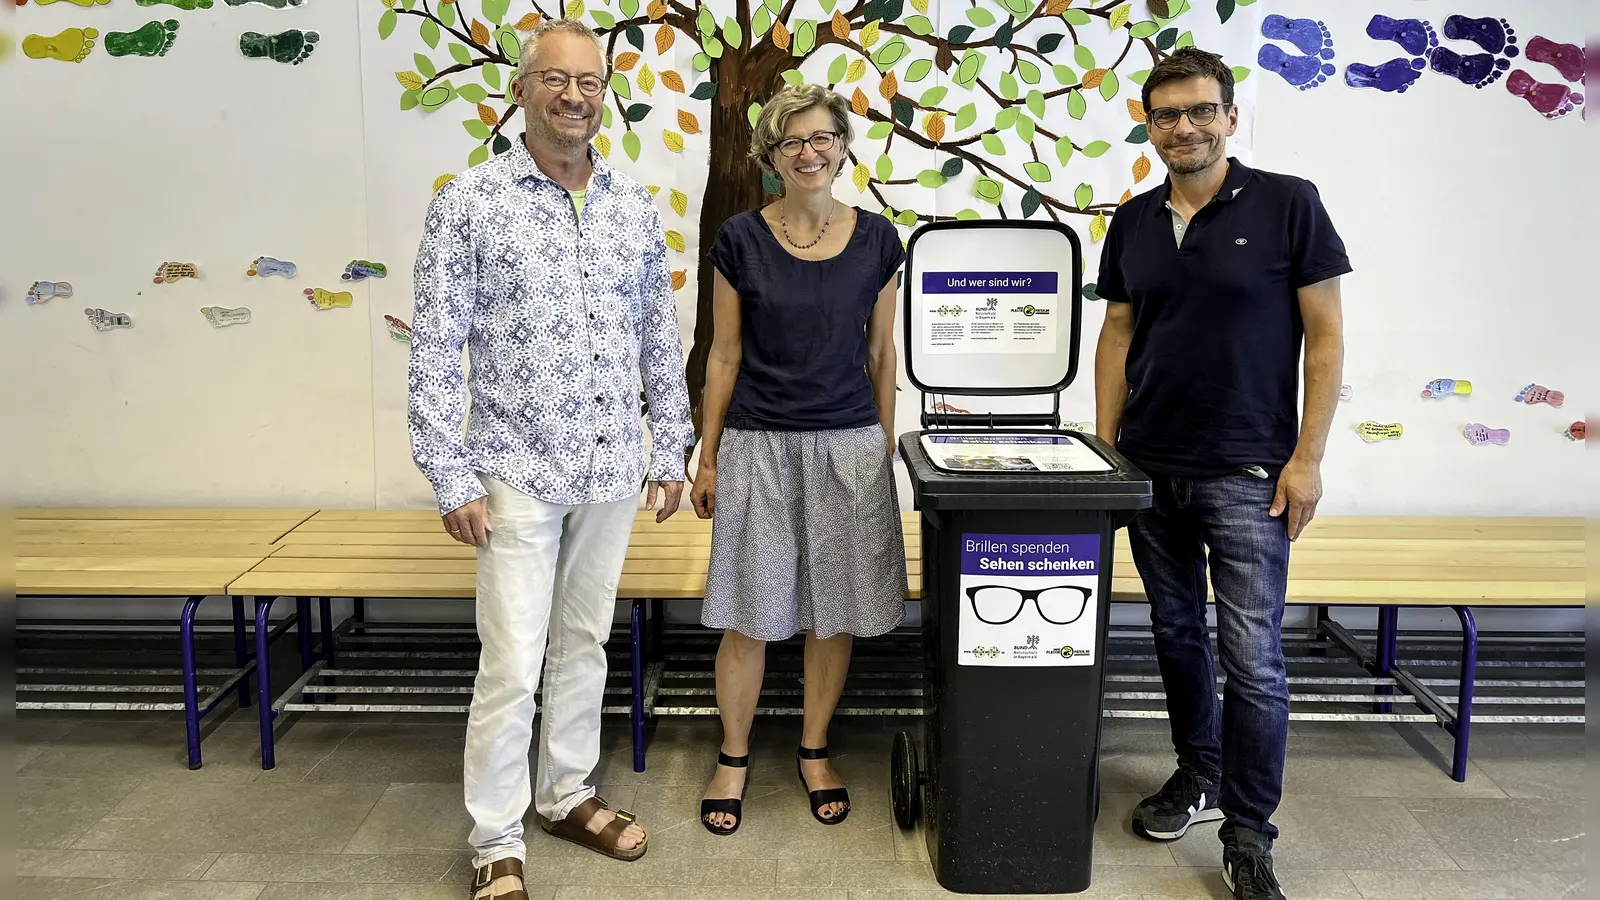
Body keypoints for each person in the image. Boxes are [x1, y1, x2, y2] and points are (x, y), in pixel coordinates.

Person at [407, 19, 694, 900]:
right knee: (512, 657)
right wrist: (450, 474)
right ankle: (496, 836)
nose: (576, 96)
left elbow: (658, 335)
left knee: (585, 643)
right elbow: (434, 350)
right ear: (522, 90)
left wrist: (672, 445)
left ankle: (565, 793)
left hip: (611, 468)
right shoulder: (470, 203)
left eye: (591, 82)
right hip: (516, 472)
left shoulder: (631, 206)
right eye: (557, 80)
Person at [1093, 47, 1348, 900]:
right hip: (1151, 469)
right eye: (1166, 115)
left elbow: (1326, 335)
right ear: (1150, 125)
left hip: (1250, 471)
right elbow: (1119, 335)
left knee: (1254, 660)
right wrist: (1105, 450)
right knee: (1175, 636)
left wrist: (1307, 459)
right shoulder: (1131, 221)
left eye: (1201, 111)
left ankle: (1249, 834)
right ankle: (1195, 775)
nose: (1184, 127)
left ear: (1230, 117)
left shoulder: (1287, 203)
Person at [690, 83, 907, 836]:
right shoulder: (739, 239)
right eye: (792, 142)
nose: (809, 152)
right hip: (757, 445)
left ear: (844, 146)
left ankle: (815, 749)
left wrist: (882, 446)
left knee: (834, 615)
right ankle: (735, 754)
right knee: (749, 617)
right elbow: (724, 355)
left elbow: (881, 352)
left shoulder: (880, 240)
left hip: (848, 446)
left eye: (822, 138)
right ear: (770, 156)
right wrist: (708, 456)